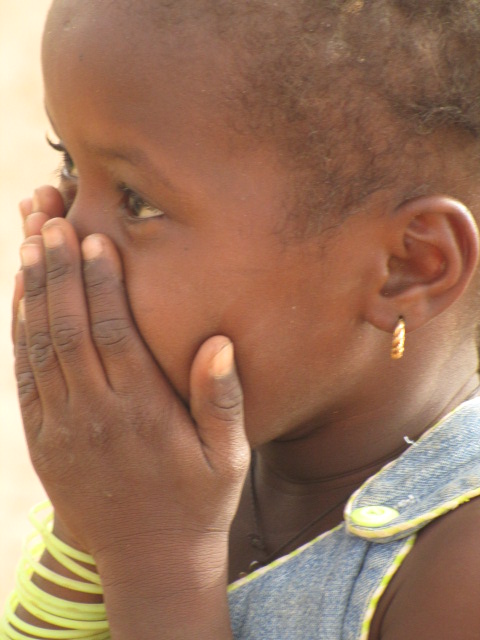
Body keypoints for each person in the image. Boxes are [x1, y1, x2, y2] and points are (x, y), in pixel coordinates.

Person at [2, 0, 480, 638]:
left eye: (138, 201)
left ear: (407, 266)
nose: (65, 234)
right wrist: (88, 520)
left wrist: (156, 562)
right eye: (68, 162)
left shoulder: (460, 574)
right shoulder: (176, 462)